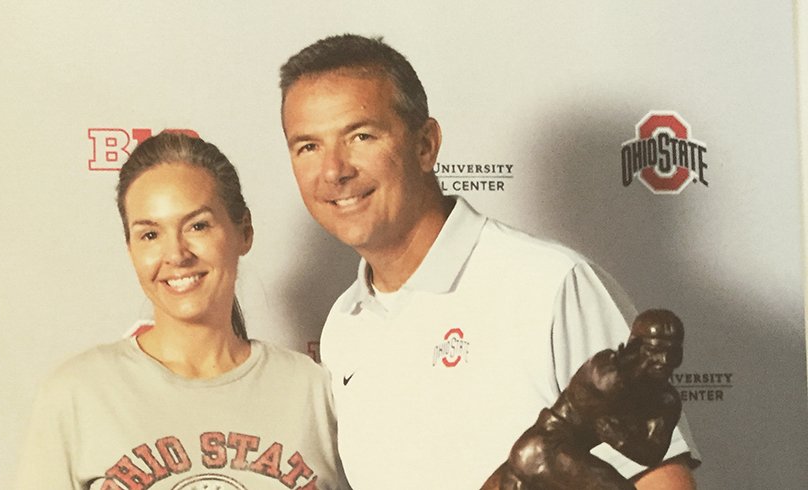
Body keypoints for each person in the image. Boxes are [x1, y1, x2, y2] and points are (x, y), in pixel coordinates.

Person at [278, 34, 698, 489]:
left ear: (425, 145)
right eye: (308, 147)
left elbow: (662, 479)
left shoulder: (550, 283)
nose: (335, 170)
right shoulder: (344, 324)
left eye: (361, 136)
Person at [15, 132, 350, 490]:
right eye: (149, 235)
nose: (176, 254)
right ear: (130, 250)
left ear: (244, 232)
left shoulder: (314, 392)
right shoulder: (76, 393)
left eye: (198, 226)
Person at [485, 309, 686, 489]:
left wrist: (620, 439)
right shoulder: (605, 369)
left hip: (555, 457)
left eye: (673, 353)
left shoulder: (666, 401)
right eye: (655, 351)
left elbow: (652, 454)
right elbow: (606, 392)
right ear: (635, 347)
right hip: (543, 449)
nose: (665, 361)